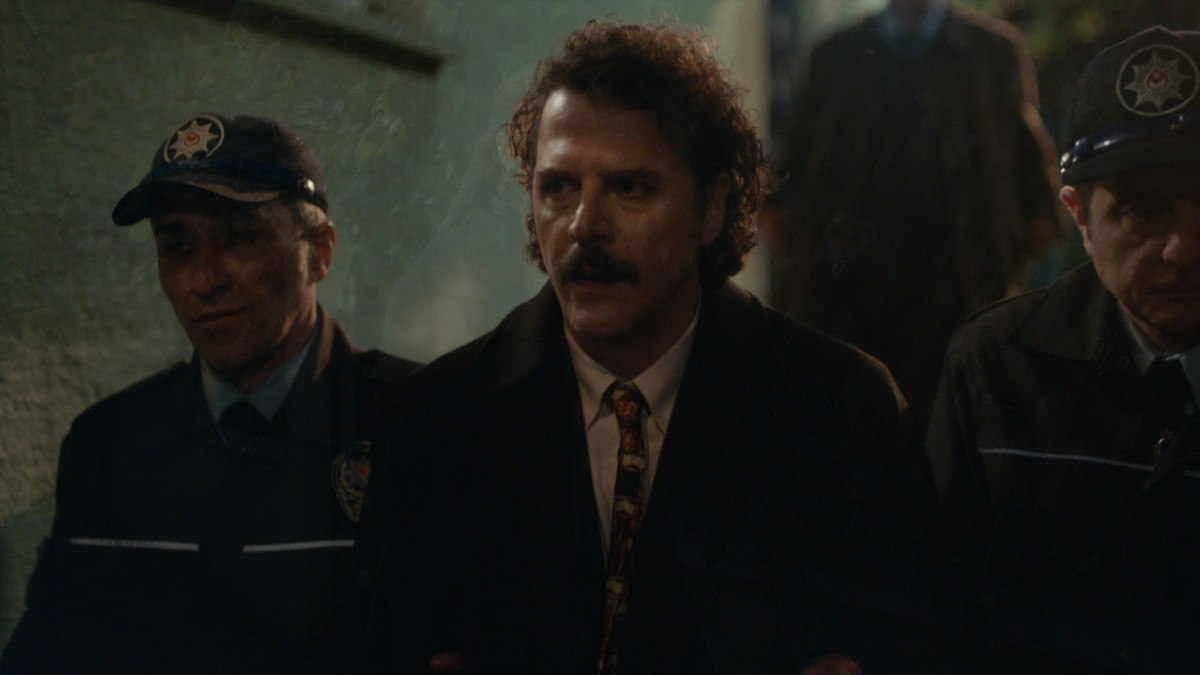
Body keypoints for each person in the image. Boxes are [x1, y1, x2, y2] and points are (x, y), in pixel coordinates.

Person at [370, 21, 943, 674]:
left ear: (712, 208)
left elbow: (909, 641)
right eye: (558, 187)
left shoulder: (841, 410)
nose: (585, 225)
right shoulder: (440, 418)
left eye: (630, 188)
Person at [1, 113, 419, 672]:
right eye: (176, 246)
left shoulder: (415, 421)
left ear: (319, 252)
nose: (204, 280)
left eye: (239, 238)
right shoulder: (108, 446)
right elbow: (51, 649)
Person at [927, 26, 1200, 672]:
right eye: (1143, 212)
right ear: (1079, 216)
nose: (1184, 249)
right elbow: (934, 605)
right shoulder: (996, 366)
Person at [769, 0, 1062, 431]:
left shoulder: (991, 51)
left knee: (949, 430)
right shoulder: (836, 54)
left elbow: (1032, 180)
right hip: (853, 296)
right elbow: (792, 173)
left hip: (959, 291)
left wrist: (1006, 258)